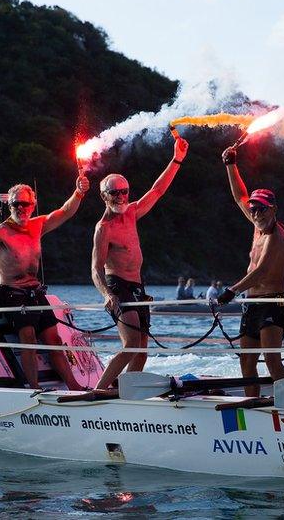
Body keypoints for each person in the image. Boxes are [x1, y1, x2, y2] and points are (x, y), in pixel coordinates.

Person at [0, 177, 89, 391]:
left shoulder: (38, 225)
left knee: (53, 339)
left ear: (33, 204)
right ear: (10, 206)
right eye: (15, 204)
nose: (20, 208)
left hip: (34, 292)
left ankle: (74, 386)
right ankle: (34, 388)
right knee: (27, 336)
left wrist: (79, 192)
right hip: (11, 293)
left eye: (25, 204)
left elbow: (65, 211)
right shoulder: (1, 230)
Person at [90, 135, 189, 391]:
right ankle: (99, 390)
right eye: (115, 193)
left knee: (142, 351)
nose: (121, 196)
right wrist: (106, 294)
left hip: (137, 287)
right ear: (104, 196)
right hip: (118, 286)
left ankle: (125, 391)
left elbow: (157, 190)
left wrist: (177, 159)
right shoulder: (104, 228)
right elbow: (95, 267)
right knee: (131, 344)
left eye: (124, 191)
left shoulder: (132, 213)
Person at [216, 145, 284, 397]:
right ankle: (252, 403)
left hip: (272, 304)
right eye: (254, 209)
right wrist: (230, 165)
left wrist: (231, 291)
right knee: (246, 362)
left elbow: (260, 272)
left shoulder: (275, 236)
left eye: (262, 208)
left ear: (273, 209)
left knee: (272, 360)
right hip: (252, 305)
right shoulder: (256, 225)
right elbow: (240, 196)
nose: (256, 213)